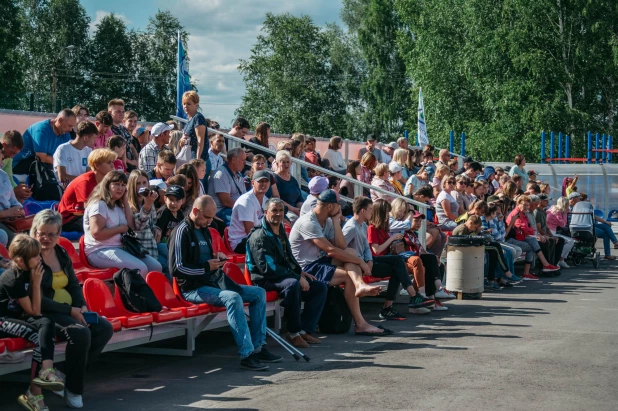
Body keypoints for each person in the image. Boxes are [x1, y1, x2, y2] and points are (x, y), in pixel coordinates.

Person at [170, 195, 282, 370]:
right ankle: (247, 353)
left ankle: (259, 347)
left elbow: (207, 258)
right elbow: (176, 269)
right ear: (195, 211)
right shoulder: (181, 231)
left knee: (258, 293)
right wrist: (205, 267)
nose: (209, 222)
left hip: (213, 282)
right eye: (207, 217)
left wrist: (217, 259)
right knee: (233, 298)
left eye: (211, 218)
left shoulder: (205, 229)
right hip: (193, 288)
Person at [32, 210, 114, 408]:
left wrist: (81, 305)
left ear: (59, 234)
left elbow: (73, 285)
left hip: (69, 309)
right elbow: (37, 300)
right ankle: (74, 389)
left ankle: (63, 373)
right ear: (34, 232)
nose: (46, 238)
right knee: (81, 333)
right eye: (42, 233)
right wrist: (71, 312)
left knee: (104, 328)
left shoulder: (60, 253)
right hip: (46, 313)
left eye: (52, 234)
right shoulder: (30, 256)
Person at [289, 189, 392, 336]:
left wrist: (336, 222)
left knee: (350, 252)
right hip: (306, 268)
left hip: (320, 261)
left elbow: (342, 247)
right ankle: (360, 323)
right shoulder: (308, 222)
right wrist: (360, 262)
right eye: (338, 205)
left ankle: (360, 286)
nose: (341, 208)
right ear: (330, 207)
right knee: (349, 273)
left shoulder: (328, 220)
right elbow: (331, 250)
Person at [247, 198, 327, 348]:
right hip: (264, 279)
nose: (278, 214)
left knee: (319, 287)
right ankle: (293, 333)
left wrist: (300, 272)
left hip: (281, 275)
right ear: (265, 212)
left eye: (280, 210)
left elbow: (288, 258)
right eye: (274, 210)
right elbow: (268, 269)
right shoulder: (259, 237)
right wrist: (296, 277)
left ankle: (304, 330)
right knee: (292, 284)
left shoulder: (280, 229)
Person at [0, 235, 64, 411]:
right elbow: (34, 311)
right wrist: (36, 284)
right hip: (2, 321)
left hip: (19, 317)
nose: (39, 258)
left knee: (47, 323)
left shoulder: (32, 270)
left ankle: (43, 377)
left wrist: (37, 282)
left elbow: (39, 310)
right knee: (39, 333)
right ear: (20, 261)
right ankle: (35, 393)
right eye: (35, 256)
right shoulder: (11, 278)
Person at [348, 198, 433, 320]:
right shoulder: (371, 228)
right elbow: (376, 250)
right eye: (387, 213)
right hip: (373, 261)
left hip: (377, 260)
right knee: (398, 263)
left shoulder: (382, 228)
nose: (388, 215)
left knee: (398, 267)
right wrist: (392, 240)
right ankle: (412, 297)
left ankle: (388, 307)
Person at [84, 171, 162, 278]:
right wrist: (120, 229)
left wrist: (125, 201)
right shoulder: (99, 204)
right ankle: (137, 295)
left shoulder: (119, 205)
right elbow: (96, 233)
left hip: (121, 248)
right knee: (140, 268)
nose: (120, 188)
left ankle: (151, 293)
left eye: (123, 185)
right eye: (116, 184)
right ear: (107, 185)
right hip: (99, 250)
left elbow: (133, 227)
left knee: (156, 267)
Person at [58, 149, 117, 233]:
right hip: (69, 219)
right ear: (97, 165)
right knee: (107, 225)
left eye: (112, 162)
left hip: (85, 215)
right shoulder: (85, 182)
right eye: (108, 163)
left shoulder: (105, 180)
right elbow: (89, 208)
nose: (112, 166)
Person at [506, 195, 560, 277]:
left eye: (527, 205)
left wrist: (534, 234)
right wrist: (534, 235)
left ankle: (542, 267)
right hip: (512, 238)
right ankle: (542, 266)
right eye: (524, 205)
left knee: (536, 242)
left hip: (521, 237)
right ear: (519, 204)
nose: (526, 207)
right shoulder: (516, 213)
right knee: (532, 245)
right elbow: (521, 227)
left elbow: (529, 228)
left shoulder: (524, 213)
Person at [13, 108, 76, 174]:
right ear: (60, 120)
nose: (70, 130)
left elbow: (68, 156)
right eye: (69, 126)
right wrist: (64, 163)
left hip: (43, 164)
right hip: (22, 162)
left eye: (72, 127)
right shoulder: (41, 130)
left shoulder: (65, 133)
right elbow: (42, 158)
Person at [228, 170, 270, 254]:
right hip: (239, 242)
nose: (264, 184)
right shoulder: (246, 201)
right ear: (253, 183)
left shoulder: (266, 200)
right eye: (260, 181)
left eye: (266, 181)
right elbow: (250, 232)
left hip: (255, 237)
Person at [127, 170, 160, 269]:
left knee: (171, 258)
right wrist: (147, 206)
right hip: (139, 249)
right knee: (158, 267)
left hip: (152, 244)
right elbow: (138, 227)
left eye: (144, 183)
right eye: (138, 183)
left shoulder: (148, 200)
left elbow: (153, 221)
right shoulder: (128, 205)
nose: (142, 186)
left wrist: (156, 228)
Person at [208, 147, 247, 224]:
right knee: (245, 219)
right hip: (222, 211)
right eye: (243, 160)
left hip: (235, 209)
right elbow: (226, 202)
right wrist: (245, 209)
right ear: (233, 160)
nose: (245, 163)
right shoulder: (221, 174)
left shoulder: (238, 174)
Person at [534, 194, 570, 268]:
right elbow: (539, 229)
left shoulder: (544, 211)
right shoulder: (537, 212)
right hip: (539, 235)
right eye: (545, 200)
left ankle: (554, 263)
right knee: (554, 241)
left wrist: (552, 236)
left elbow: (546, 227)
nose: (547, 202)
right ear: (540, 201)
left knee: (560, 240)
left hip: (548, 233)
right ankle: (552, 264)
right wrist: (548, 236)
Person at [0, 146, 25, 246]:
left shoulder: (3, 175)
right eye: (0, 153)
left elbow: (13, 200)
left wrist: (18, 209)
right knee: (20, 243)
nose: (2, 156)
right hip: (3, 220)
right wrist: (6, 213)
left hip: (10, 220)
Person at [273, 150, 304, 224]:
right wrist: (293, 209)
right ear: (277, 164)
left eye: (288, 162)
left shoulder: (293, 180)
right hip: (284, 211)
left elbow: (299, 198)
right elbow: (277, 199)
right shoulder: (274, 178)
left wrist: (302, 210)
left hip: (296, 210)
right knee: (295, 220)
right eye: (283, 162)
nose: (286, 164)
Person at [108, 99, 138, 171]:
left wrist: (137, 161)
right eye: (118, 111)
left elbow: (131, 146)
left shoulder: (124, 129)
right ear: (110, 112)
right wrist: (126, 163)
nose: (121, 114)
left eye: (123, 112)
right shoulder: (109, 129)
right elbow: (114, 150)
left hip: (132, 167)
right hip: (119, 167)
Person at [2, 130, 32, 202]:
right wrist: (13, 191)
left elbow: (9, 177)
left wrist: (20, 190)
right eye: (12, 152)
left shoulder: (8, 157)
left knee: (19, 201)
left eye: (15, 154)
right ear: (4, 145)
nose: (12, 157)